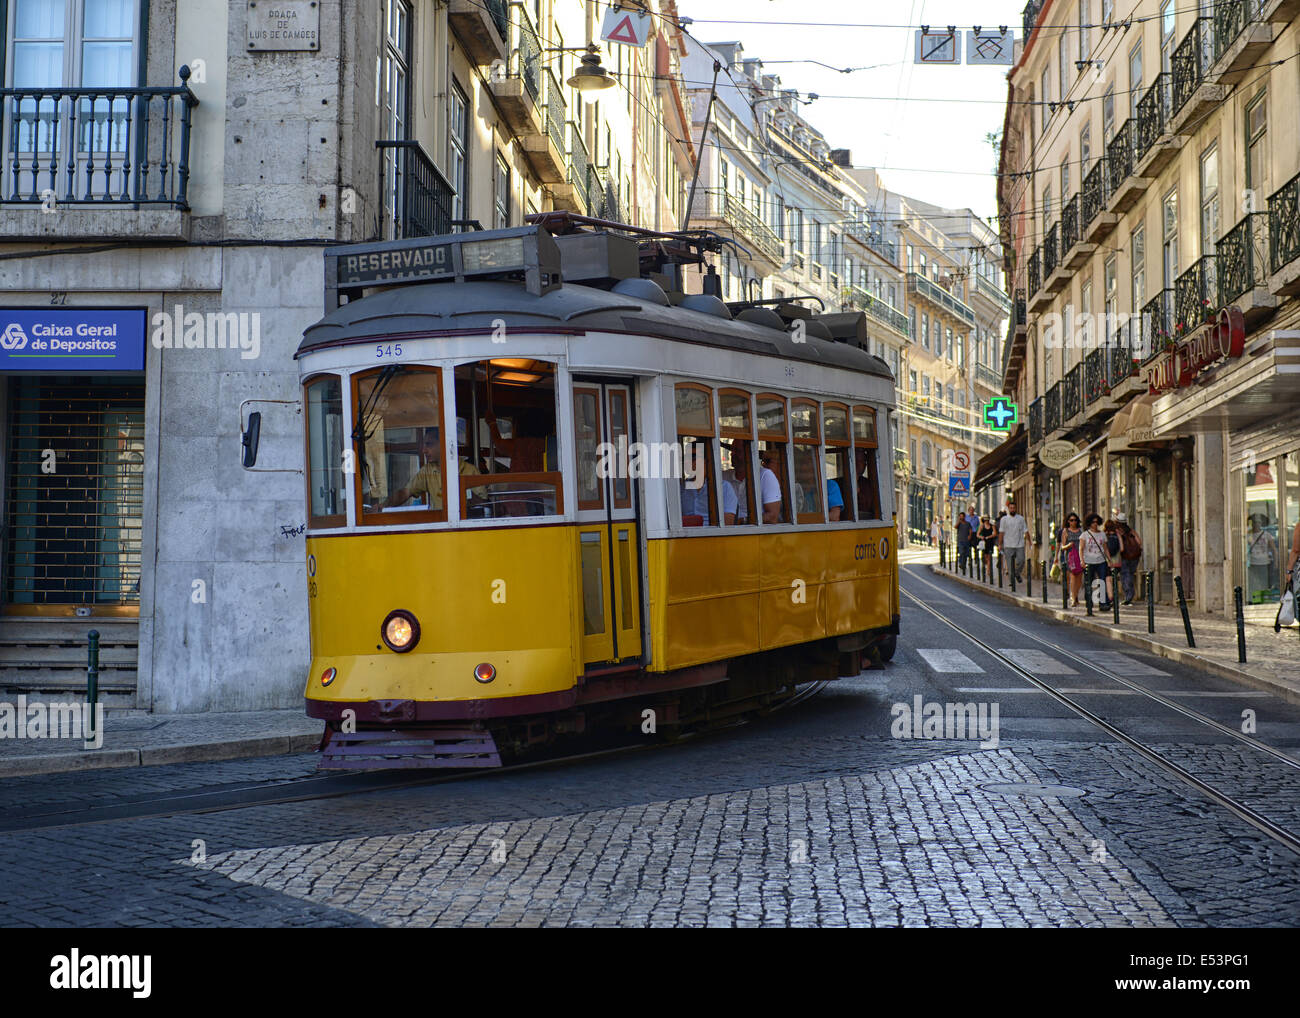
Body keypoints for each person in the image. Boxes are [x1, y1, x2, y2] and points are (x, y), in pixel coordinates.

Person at [385, 427, 480, 511]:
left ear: (443, 443)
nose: (424, 450)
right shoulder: (427, 471)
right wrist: (382, 506)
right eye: (423, 445)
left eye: (429, 444)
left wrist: (465, 495)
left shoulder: (470, 471)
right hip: (440, 526)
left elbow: (483, 505)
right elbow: (405, 493)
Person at [1080, 513, 1112, 608]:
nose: (1095, 524)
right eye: (1093, 522)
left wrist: (1109, 560)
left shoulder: (1102, 534)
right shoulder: (1084, 535)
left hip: (1101, 561)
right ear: (1089, 523)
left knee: (1102, 581)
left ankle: (1103, 603)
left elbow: (1105, 548)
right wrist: (1082, 560)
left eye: (1096, 522)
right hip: (1089, 561)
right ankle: (1089, 601)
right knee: (1089, 582)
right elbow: (1081, 549)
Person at [998, 498, 1028, 586]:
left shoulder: (1021, 519)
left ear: (1016, 509)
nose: (1012, 509)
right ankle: (1012, 582)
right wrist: (1000, 544)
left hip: (1019, 544)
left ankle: (1017, 573)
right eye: (1010, 508)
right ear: (1008, 509)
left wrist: (1029, 541)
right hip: (1008, 544)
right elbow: (1001, 532)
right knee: (1010, 565)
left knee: (1021, 561)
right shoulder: (1004, 519)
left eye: (1013, 508)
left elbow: (1025, 530)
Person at [1114, 511, 1142, 605]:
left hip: (1124, 556)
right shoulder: (1131, 530)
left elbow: (1121, 547)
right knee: (1130, 574)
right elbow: (1139, 542)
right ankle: (1130, 594)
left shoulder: (1118, 532)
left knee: (1125, 575)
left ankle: (1128, 596)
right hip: (1135, 556)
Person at [1058, 512, 1084, 606]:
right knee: (1073, 576)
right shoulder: (1066, 531)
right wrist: (1068, 545)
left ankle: (1075, 595)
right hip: (1071, 557)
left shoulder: (1081, 531)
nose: (1073, 522)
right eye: (1071, 520)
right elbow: (1062, 547)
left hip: (1080, 556)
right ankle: (1073, 598)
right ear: (1068, 521)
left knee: (1079, 579)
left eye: (1075, 520)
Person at [723, 439, 751, 526]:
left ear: (748, 454)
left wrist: (743, 520)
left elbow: (771, 517)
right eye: (732, 450)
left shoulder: (763, 476)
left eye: (737, 451)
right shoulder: (723, 477)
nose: (732, 454)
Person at [758, 451, 783, 524]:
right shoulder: (763, 479)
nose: (764, 465)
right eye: (763, 461)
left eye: (768, 461)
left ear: (779, 464)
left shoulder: (793, 487)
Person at [956, 511, 974, 575]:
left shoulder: (968, 523)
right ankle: (961, 563)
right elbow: (955, 527)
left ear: (964, 517)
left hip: (966, 540)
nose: (961, 517)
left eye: (962, 516)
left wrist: (970, 535)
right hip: (960, 540)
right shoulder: (959, 523)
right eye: (960, 516)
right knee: (961, 552)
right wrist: (958, 521)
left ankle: (964, 564)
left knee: (966, 553)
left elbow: (970, 530)